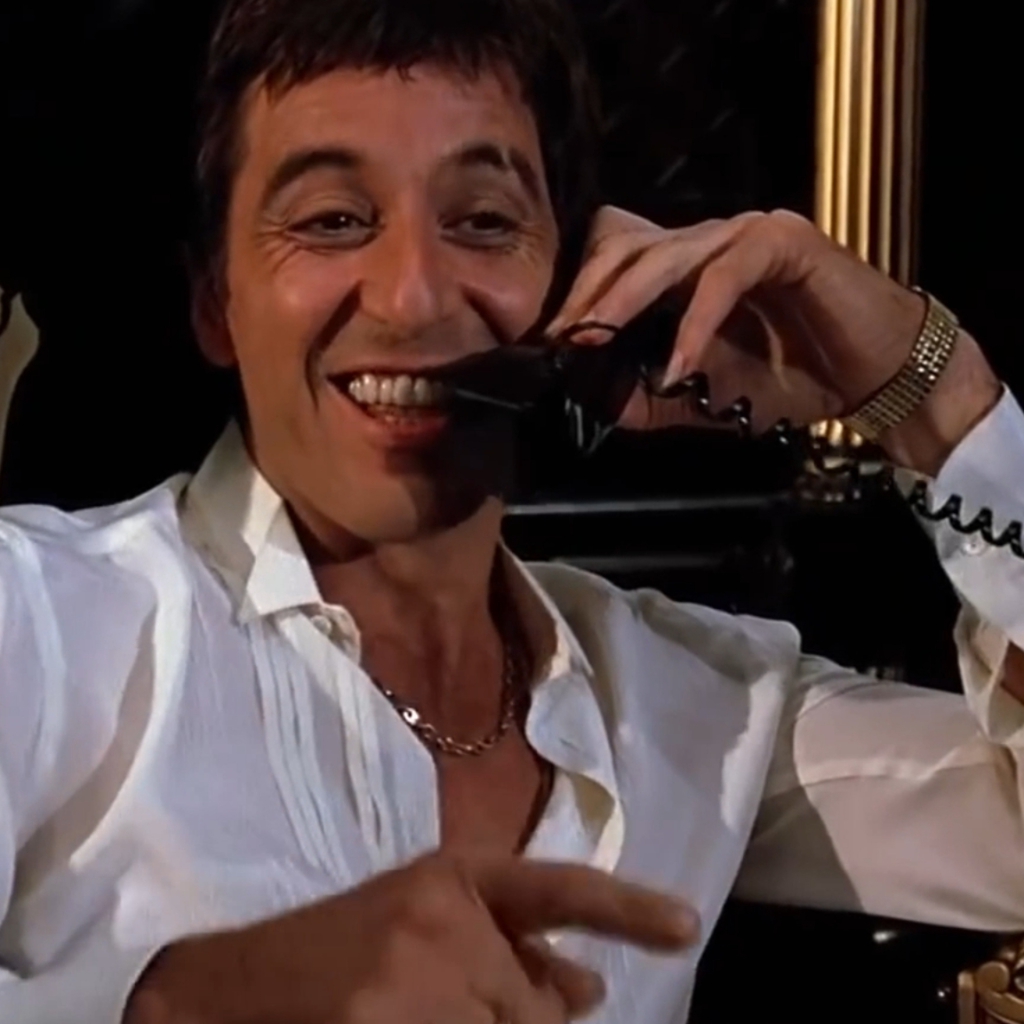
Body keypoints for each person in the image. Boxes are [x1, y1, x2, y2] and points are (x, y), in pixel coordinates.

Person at [1, 1, 1022, 1021]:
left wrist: (929, 390)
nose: (412, 297)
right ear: (215, 301)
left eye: (484, 221)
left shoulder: (692, 706)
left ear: (576, 287)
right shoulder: (37, 618)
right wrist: (182, 1005)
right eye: (332, 220)